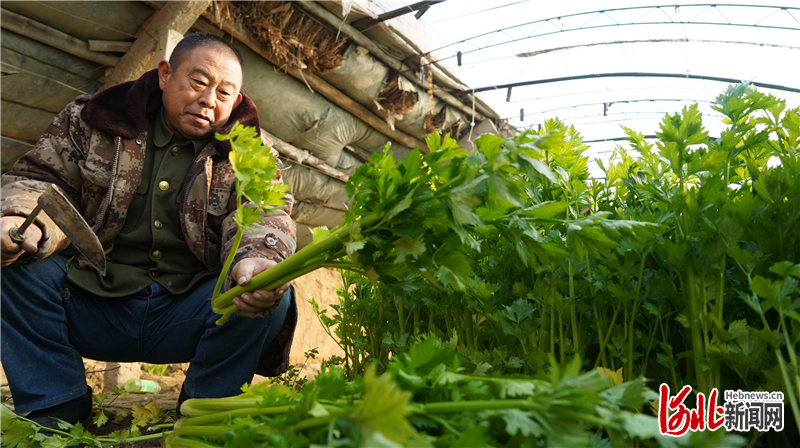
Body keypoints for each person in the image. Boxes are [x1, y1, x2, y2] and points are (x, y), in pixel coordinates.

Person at [0, 33, 297, 428]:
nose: (210, 100)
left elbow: (266, 211)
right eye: (198, 82)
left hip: (189, 313)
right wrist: (21, 221)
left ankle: (200, 417)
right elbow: (41, 179)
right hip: (91, 300)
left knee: (267, 289)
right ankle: (55, 410)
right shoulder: (94, 120)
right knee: (13, 264)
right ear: (164, 74)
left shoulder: (251, 154)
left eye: (226, 93)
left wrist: (259, 257)